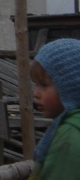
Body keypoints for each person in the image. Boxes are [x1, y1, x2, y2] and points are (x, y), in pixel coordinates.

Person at [30, 38, 80, 179]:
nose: (36, 93)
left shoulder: (69, 138)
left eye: (44, 85)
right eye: (36, 85)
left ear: (72, 88)